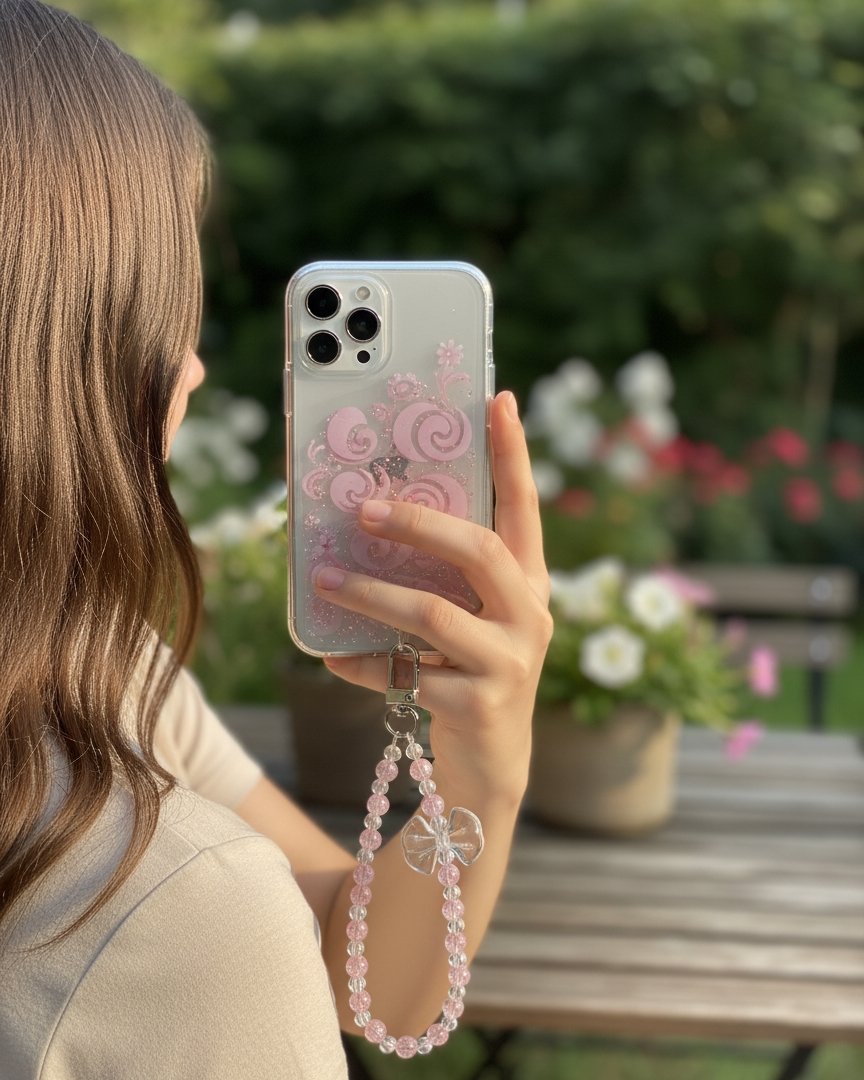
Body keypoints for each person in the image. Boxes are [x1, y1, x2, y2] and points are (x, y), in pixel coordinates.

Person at [0, 2, 552, 1077]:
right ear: (65, 358)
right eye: (165, 310)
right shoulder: (176, 904)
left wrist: (482, 772)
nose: (195, 369)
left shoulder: (103, 678)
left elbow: (366, 971)